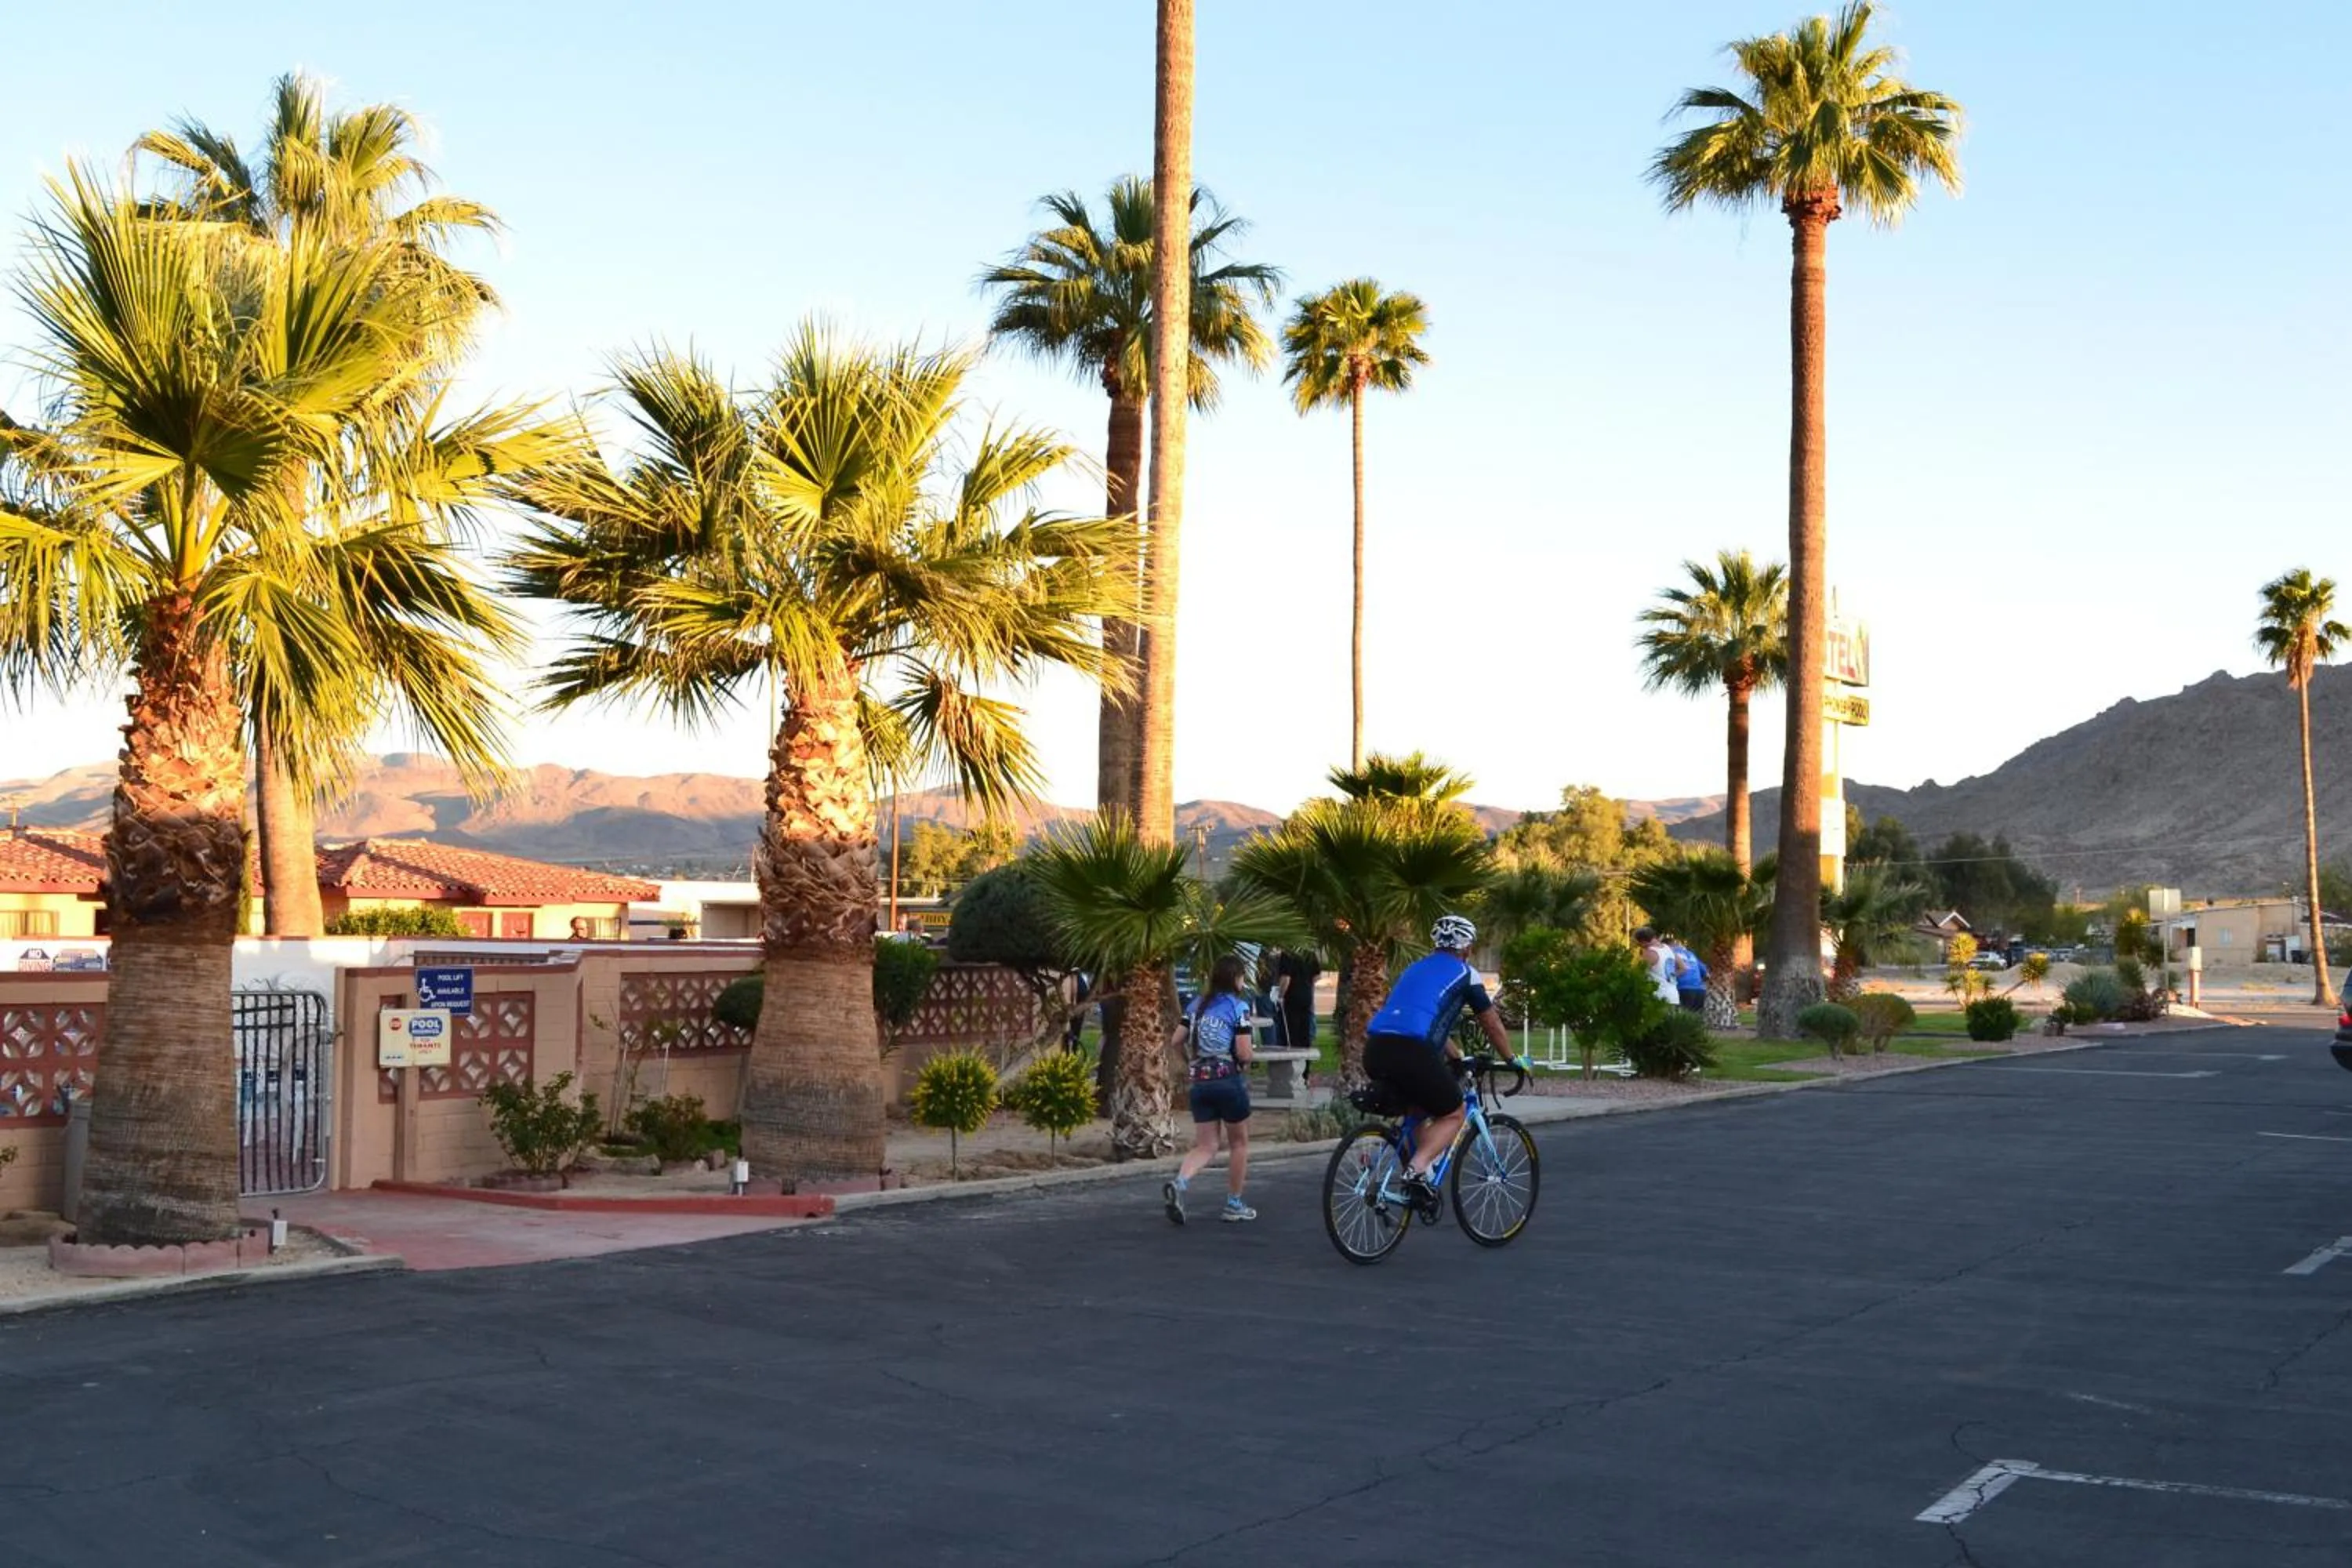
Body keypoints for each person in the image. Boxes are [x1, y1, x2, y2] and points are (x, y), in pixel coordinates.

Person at [1361, 915, 1525, 1217]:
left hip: (1376, 1048)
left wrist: (1455, 1055)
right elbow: (1490, 1021)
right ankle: (1417, 1169)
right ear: (1467, 948)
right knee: (1454, 1112)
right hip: (1413, 1051)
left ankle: (1394, 1166)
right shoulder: (1466, 974)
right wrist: (1511, 1058)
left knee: (1418, 1109)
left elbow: (1424, 1017)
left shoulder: (1414, 969)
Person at [1162, 953, 1258, 1225]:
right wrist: (1247, 1059)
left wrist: (1191, 1061)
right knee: (1239, 1143)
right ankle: (1234, 1203)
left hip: (1200, 1081)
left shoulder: (1195, 1006)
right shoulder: (1238, 1008)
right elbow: (1244, 1052)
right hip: (1227, 1079)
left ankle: (1180, 1183)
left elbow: (1176, 1039)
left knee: (1206, 1146)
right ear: (1237, 979)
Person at [1275, 945, 1323, 1062]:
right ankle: (1304, 1068)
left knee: (1291, 1033)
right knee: (1304, 1032)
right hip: (1306, 995)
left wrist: (1280, 995)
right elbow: (1317, 976)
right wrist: (1306, 983)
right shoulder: (1309, 952)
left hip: (1292, 997)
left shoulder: (1288, 954)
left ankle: (1292, 1063)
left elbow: (1286, 978)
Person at [1635, 927, 1679, 1005]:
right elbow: (1684, 968)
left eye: (1639, 943)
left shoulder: (1650, 953)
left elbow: (1639, 974)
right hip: (1674, 997)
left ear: (1643, 942)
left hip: (1659, 998)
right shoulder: (1668, 949)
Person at [1670, 939, 1708, 1014]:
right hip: (1700, 990)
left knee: (1682, 1018)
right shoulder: (1691, 954)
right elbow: (1706, 974)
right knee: (1695, 1019)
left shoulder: (1670, 953)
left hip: (1683, 988)